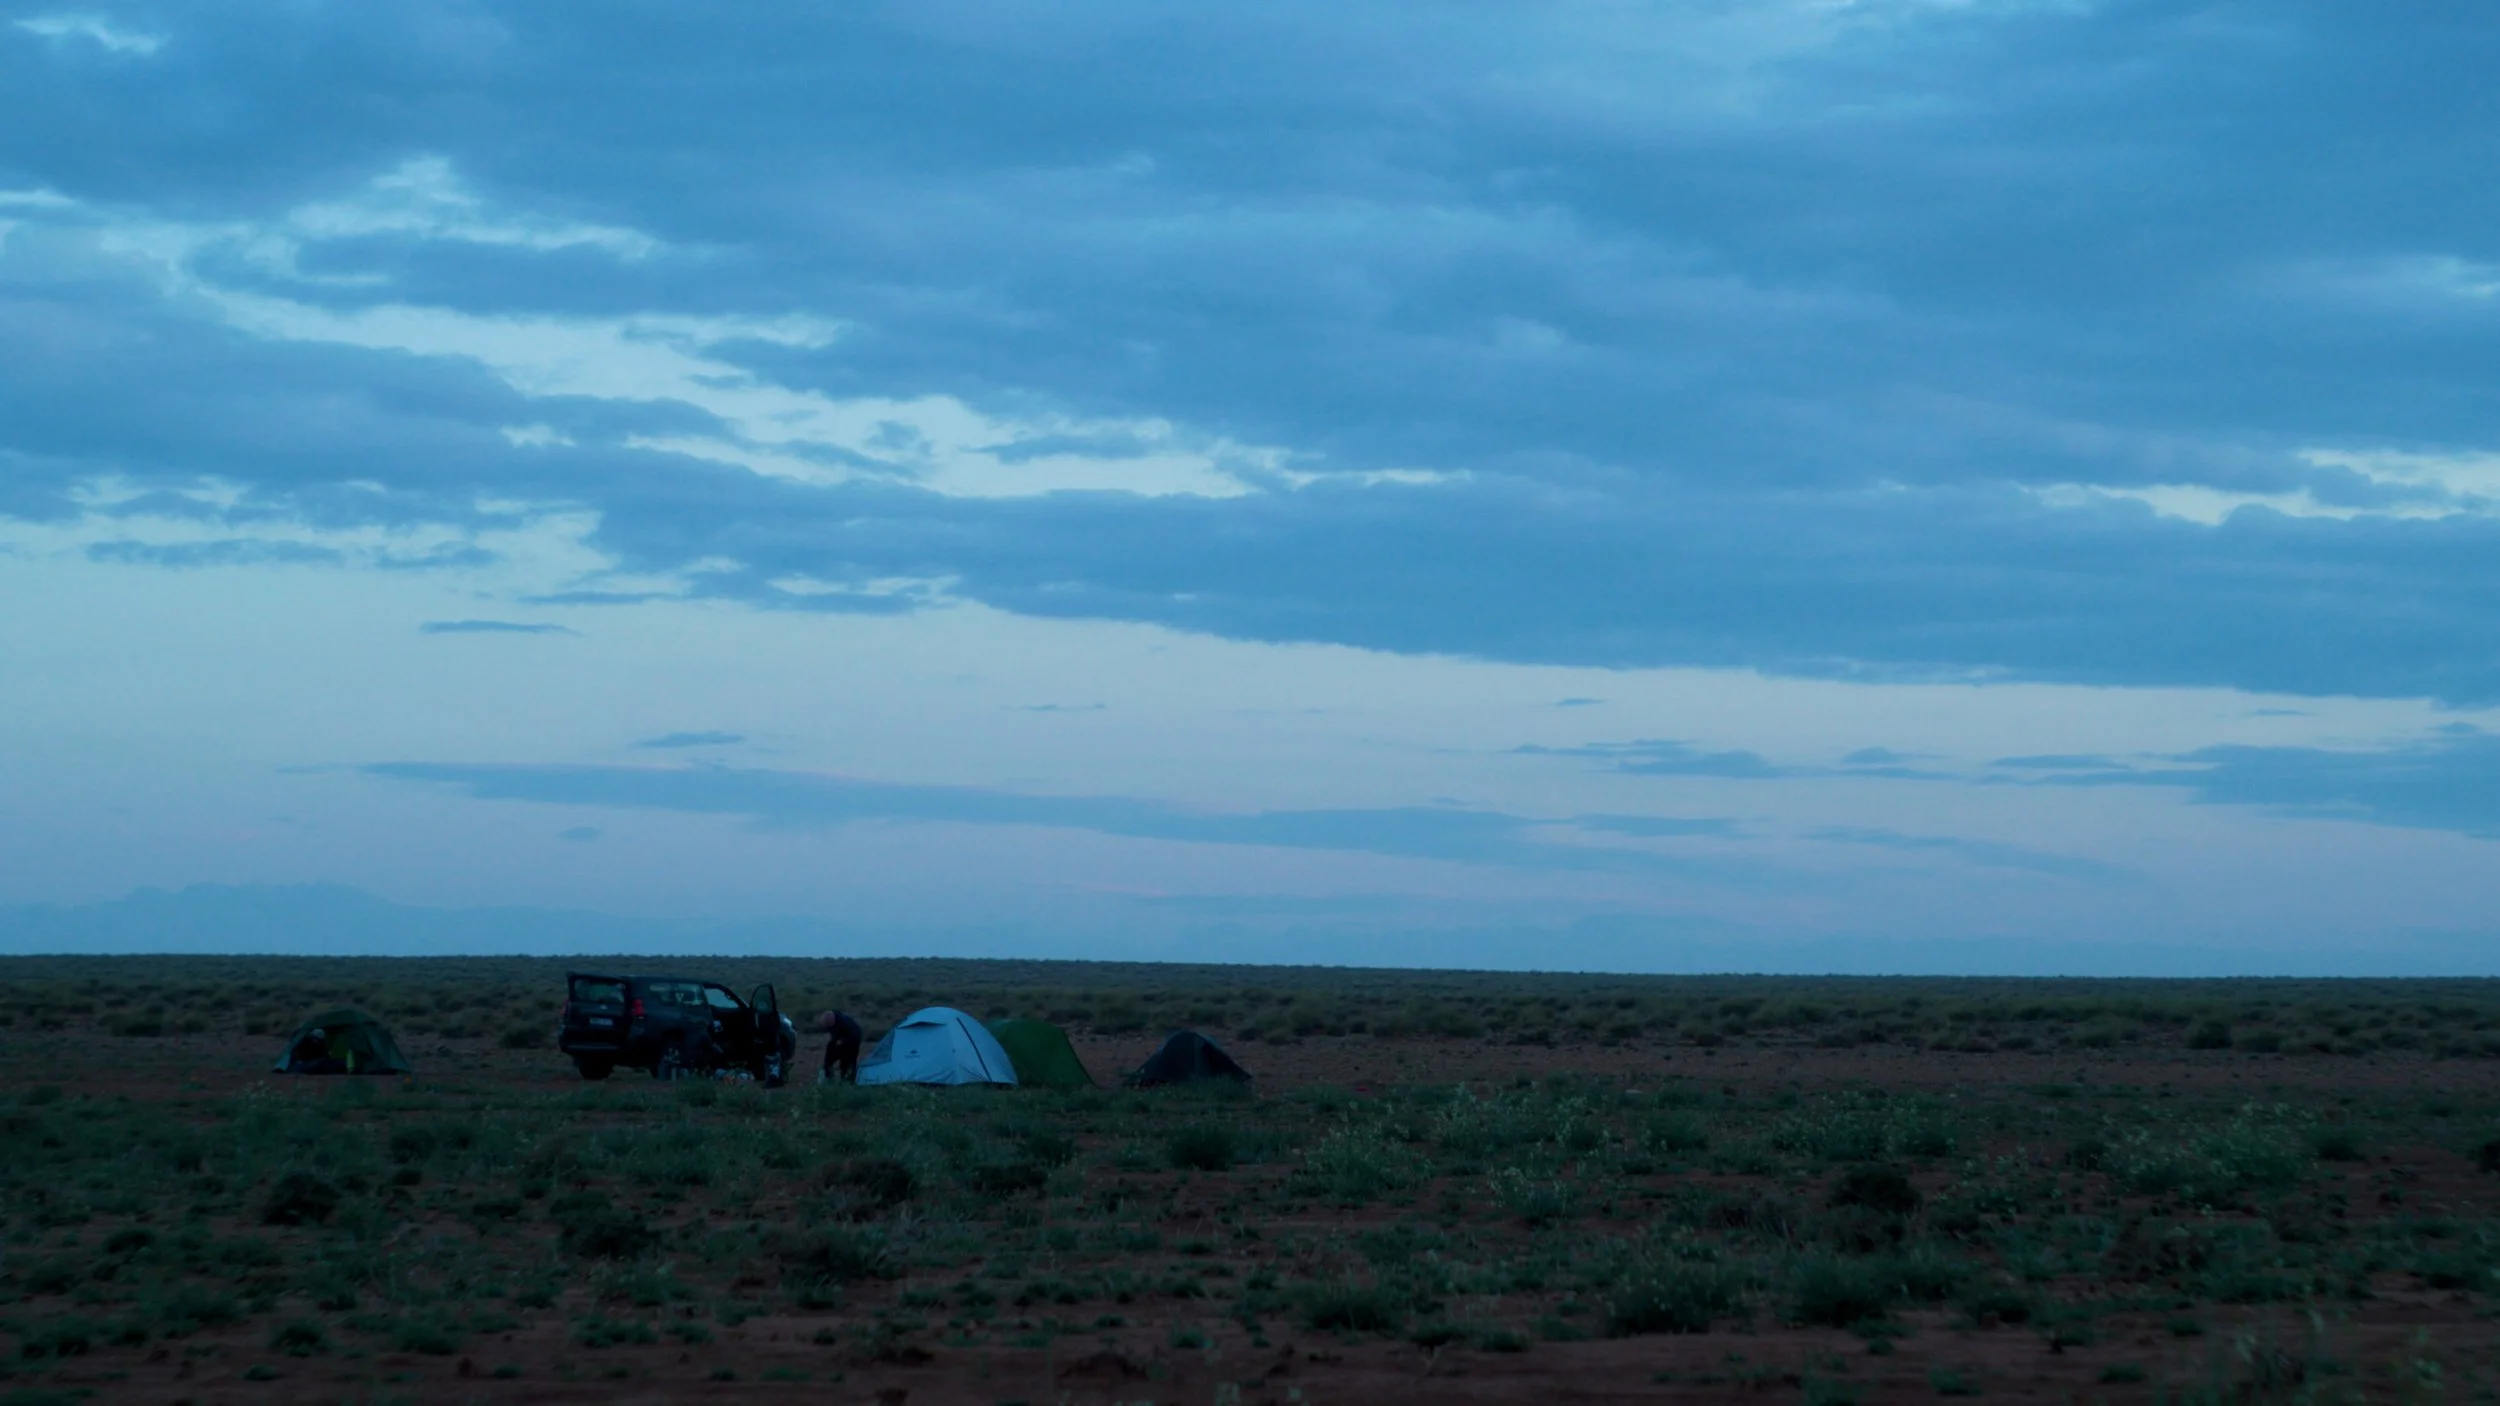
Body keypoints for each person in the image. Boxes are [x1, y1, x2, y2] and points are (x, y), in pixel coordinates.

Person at [817, 1009, 862, 1083]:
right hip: (839, 1040)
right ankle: (828, 1075)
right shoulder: (831, 1023)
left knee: (848, 1062)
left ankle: (849, 1080)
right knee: (829, 1056)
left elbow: (855, 1035)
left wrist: (843, 1041)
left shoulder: (845, 1023)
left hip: (853, 1042)